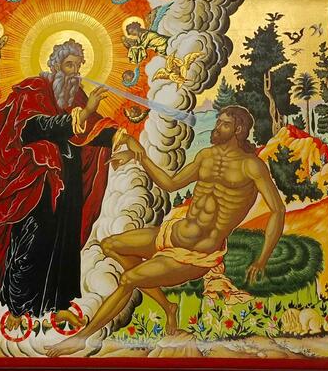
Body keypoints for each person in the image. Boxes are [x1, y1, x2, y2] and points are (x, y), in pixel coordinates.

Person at [46, 105, 285, 356]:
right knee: (110, 245)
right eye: (218, 121)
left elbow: (278, 210)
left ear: (239, 129)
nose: (217, 127)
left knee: (128, 280)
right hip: (173, 233)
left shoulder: (251, 166)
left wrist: (263, 258)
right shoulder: (206, 156)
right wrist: (139, 156)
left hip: (196, 254)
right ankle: (168, 306)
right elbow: (170, 184)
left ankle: (82, 339)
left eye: (225, 124)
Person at [0, 39, 142, 330]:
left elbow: (90, 130)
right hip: (39, 180)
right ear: (56, 65)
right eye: (69, 65)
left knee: (65, 244)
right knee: (33, 240)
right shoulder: (34, 90)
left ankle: (59, 307)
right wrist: (83, 115)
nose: (75, 72)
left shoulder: (76, 96)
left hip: (68, 179)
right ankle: (18, 308)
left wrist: (121, 139)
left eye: (78, 66)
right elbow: (33, 128)